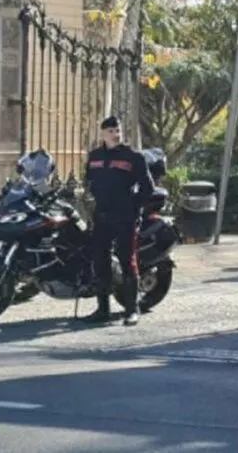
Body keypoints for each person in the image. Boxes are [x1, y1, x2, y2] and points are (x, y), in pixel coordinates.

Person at [83, 115, 154, 325]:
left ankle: (132, 310)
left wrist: (133, 207)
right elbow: (89, 182)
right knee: (100, 262)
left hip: (124, 217)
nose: (115, 135)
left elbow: (147, 187)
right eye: (111, 131)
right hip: (102, 216)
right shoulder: (94, 156)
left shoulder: (133, 156)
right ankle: (102, 310)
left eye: (117, 131)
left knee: (127, 261)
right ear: (102, 133)